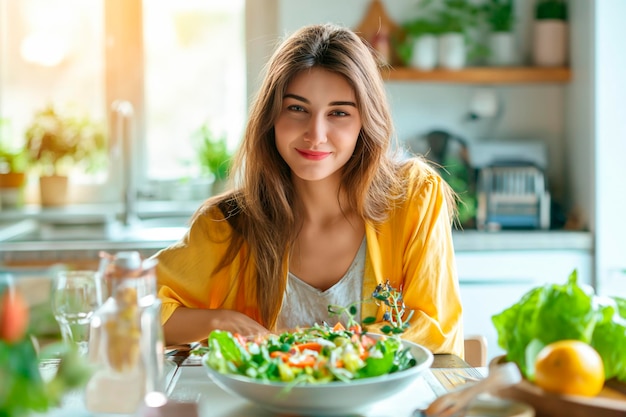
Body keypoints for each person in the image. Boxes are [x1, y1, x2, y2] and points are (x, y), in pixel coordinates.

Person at [155, 23, 464, 357]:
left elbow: (437, 328)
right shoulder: (229, 223)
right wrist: (220, 322)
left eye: (339, 113)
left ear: (365, 121)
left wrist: (320, 350)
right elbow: (132, 313)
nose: (316, 134)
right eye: (297, 108)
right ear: (271, 117)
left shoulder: (415, 195)